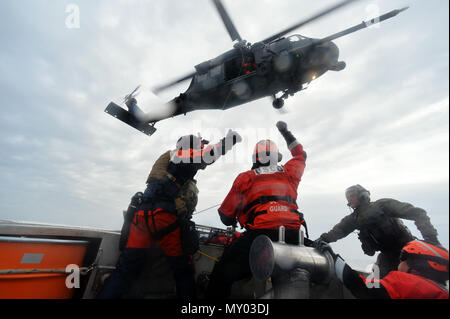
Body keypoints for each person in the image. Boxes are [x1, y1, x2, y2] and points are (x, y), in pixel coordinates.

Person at [97, 130, 242, 299]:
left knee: (126, 268)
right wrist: (229, 140)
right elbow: (208, 156)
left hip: (141, 218)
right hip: (165, 219)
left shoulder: (170, 158)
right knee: (183, 271)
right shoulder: (184, 156)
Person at [206, 121, 308, 299]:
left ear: (255, 159)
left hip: (260, 236)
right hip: (294, 236)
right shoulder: (290, 173)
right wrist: (286, 132)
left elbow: (225, 216)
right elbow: (301, 154)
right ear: (278, 157)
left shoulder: (246, 178)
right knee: (285, 281)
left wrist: (237, 216)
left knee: (221, 276)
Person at [316, 184, 441, 278]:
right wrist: (321, 240)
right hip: (387, 257)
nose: (349, 199)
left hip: (409, 251)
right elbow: (337, 232)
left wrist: (432, 239)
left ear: (362, 195)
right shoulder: (353, 219)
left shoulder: (383, 205)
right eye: (347, 197)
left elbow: (417, 213)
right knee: (376, 286)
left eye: (352, 195)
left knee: (419, 283)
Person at [316, 239, 449, 299]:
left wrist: (333, 258)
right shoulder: (441, 291)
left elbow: (365, 290)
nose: (399, 262)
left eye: (403, 258)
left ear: (418, 264)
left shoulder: (409, 284)